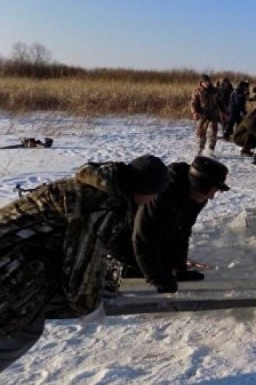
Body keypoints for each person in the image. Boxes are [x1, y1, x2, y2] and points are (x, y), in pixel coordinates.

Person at [0, 155, 169, 372]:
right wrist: (89, 306)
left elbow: (91, 252)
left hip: (16, 256)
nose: (153, 199)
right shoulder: (99, 205)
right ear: (144, 190)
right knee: (19, 329)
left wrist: (98, 287)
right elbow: (79, 266)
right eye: (154, 194)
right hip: (9, 264)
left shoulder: (103, 190)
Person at [107, 156, 230, 293]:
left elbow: (182, 231)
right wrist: (155, 277)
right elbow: (142, 237)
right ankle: (118, 270)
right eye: (213, 191)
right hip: (121, 237)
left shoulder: (198, 197)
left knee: (164, 267)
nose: (212, 197)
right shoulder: (162, 194)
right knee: (142, 273)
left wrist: (179, 268)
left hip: (150, 236)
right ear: (201, 185)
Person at [190, 74, 223, 156]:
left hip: (213, 115)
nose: (207, 83)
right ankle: (200, 150)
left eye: (208, 81)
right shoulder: (197, 92)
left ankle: (211, 151)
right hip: (202, 116)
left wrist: (223, 112)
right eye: (205, 82)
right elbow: (193, 104)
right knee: (201, 133)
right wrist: (194, 113)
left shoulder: (215, 91)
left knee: (213, 133)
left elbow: (220, 102)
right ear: (201, 83)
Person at [232, 91, 256, 156]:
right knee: (252, 131)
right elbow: (250, 127)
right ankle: (245, 150)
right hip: (238, 138)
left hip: (244, 135)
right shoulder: (250, 119)